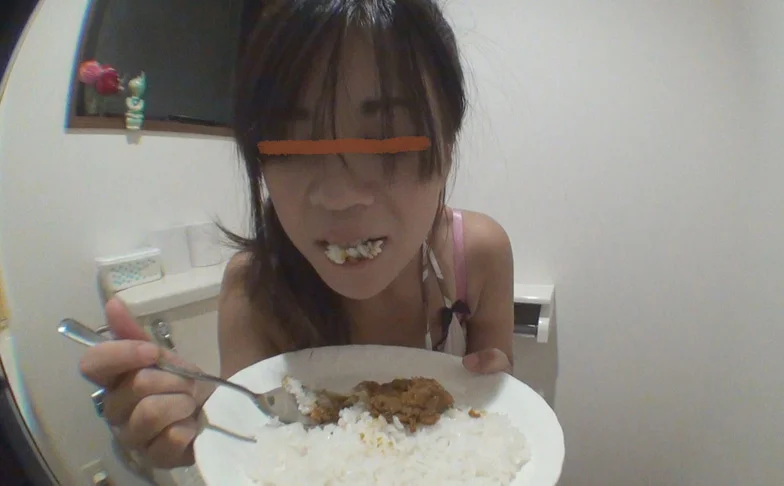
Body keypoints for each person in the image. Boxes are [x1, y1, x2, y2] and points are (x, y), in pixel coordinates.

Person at [78, 0, 514, 469]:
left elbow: (500, 405)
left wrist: (495, 388)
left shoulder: (479, 255)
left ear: (447, 148)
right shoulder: (254, 291)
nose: (338, 195)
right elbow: (260, 451)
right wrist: (202, 433)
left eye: (387, 137)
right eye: (292, 143)